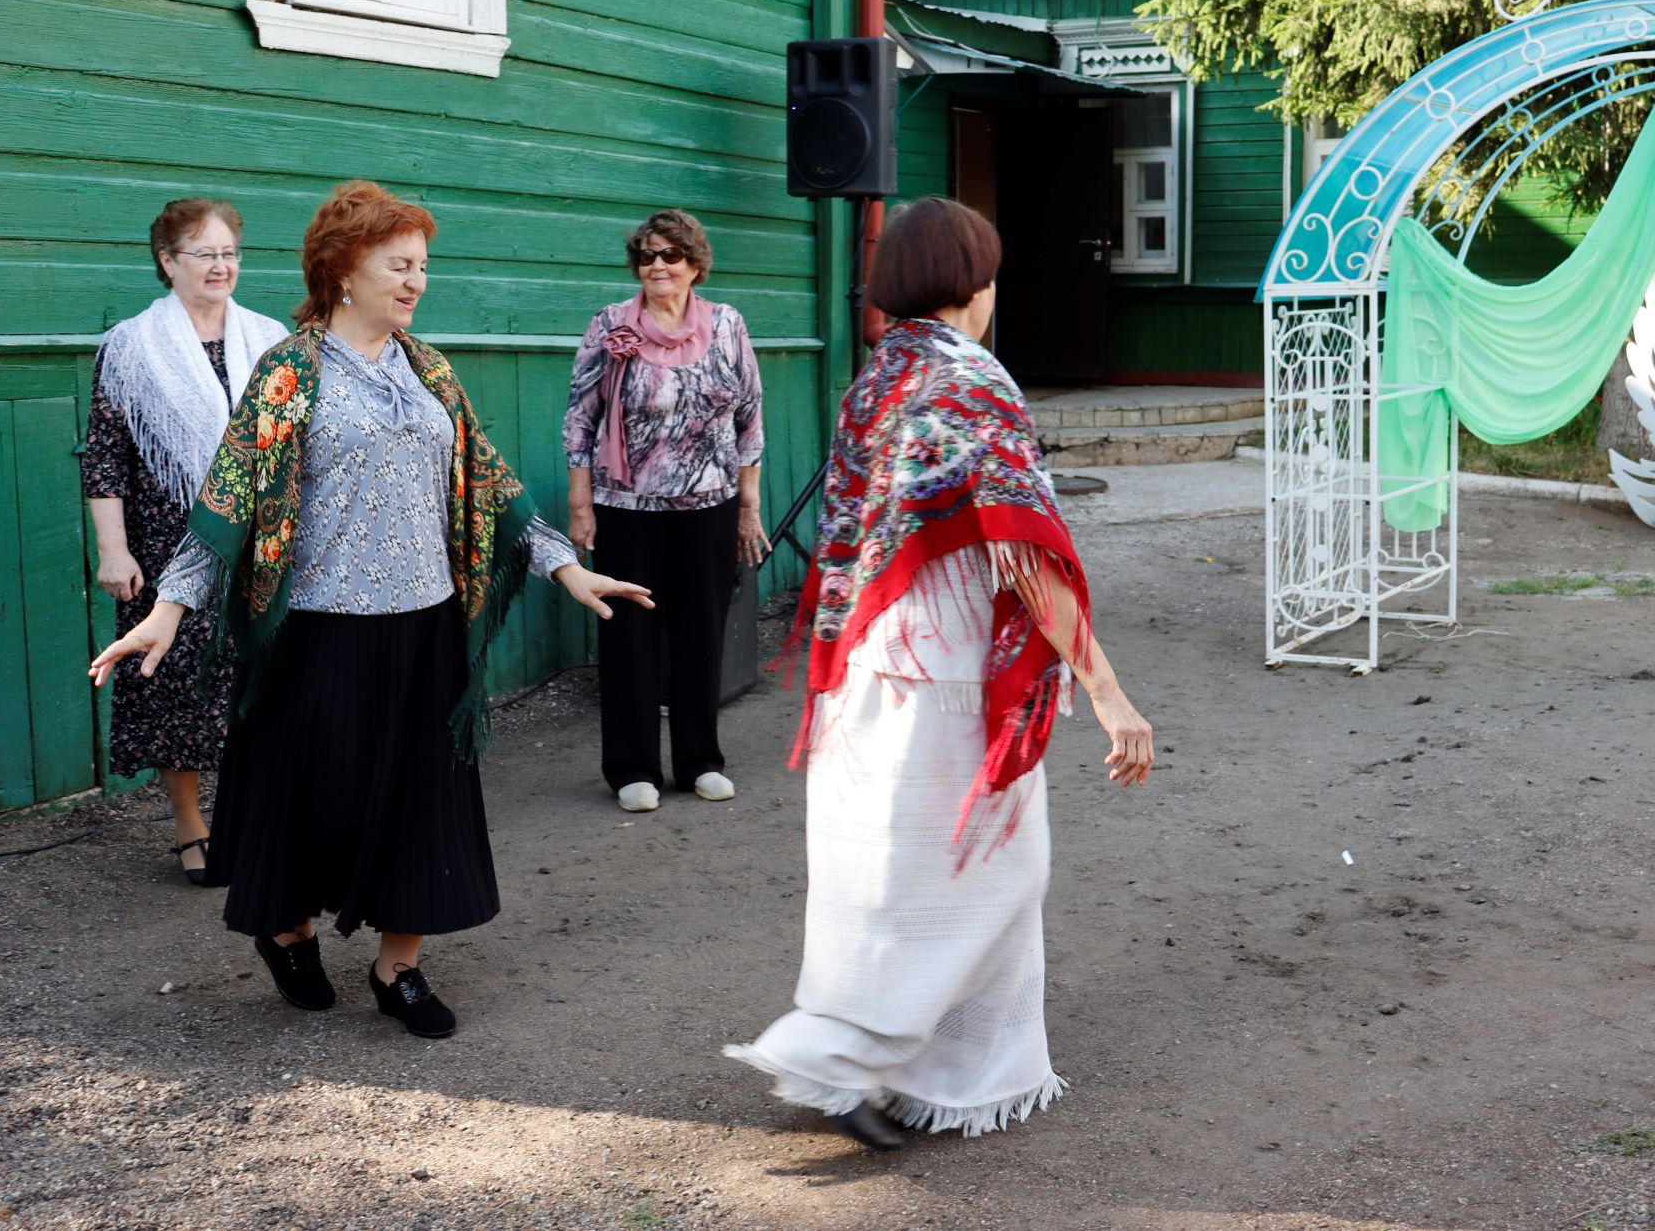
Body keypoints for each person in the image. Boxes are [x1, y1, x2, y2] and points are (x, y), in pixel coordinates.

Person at [87, 181, 652, 1036]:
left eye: (422, 266)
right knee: (311, 798)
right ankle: (288, 934)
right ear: (346, 267)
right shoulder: (291, 371)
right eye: (399, 264)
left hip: (423, 627)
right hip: (318, 632)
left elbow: (488, 481)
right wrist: (171, 606)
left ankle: (399, 969)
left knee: (418, 802)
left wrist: (564, 567)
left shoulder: (429, 369)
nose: (415, 281)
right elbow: (229, 496)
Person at [723, 197, 1154, 1150]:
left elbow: (850, 541)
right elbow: (1025, 551)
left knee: (894, 866)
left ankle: (948, 1074)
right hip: (946, 658)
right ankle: (833, 1051)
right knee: (990, 867)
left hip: (871, 656)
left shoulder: (879, 376)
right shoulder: (968, 380)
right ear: (975, 283)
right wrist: (1107, 688)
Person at [82, 198, 288, 885]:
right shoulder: (131, 345)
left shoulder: (271, 338)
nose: (221, 265)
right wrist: (114, 550)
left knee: (261, 686)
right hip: (168, 542)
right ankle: (190, 826)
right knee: (176, 690)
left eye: (230, 252)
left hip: (261, 546)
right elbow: (105, 457)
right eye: (205, 253)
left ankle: (251, 816)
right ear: (167, 262)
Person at [561, 209, 769, 815]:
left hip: (709, 504)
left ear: (694, 266)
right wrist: (580, 504)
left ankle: (700, 761)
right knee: (629, 634)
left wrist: (747, 507)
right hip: (626, 506)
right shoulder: (609, 325)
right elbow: (581, 417)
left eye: (670, 255)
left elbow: (749, 417)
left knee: (701, 632)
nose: (657, 265)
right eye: (647, 256)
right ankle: (632, 768)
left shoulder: (727, 325)